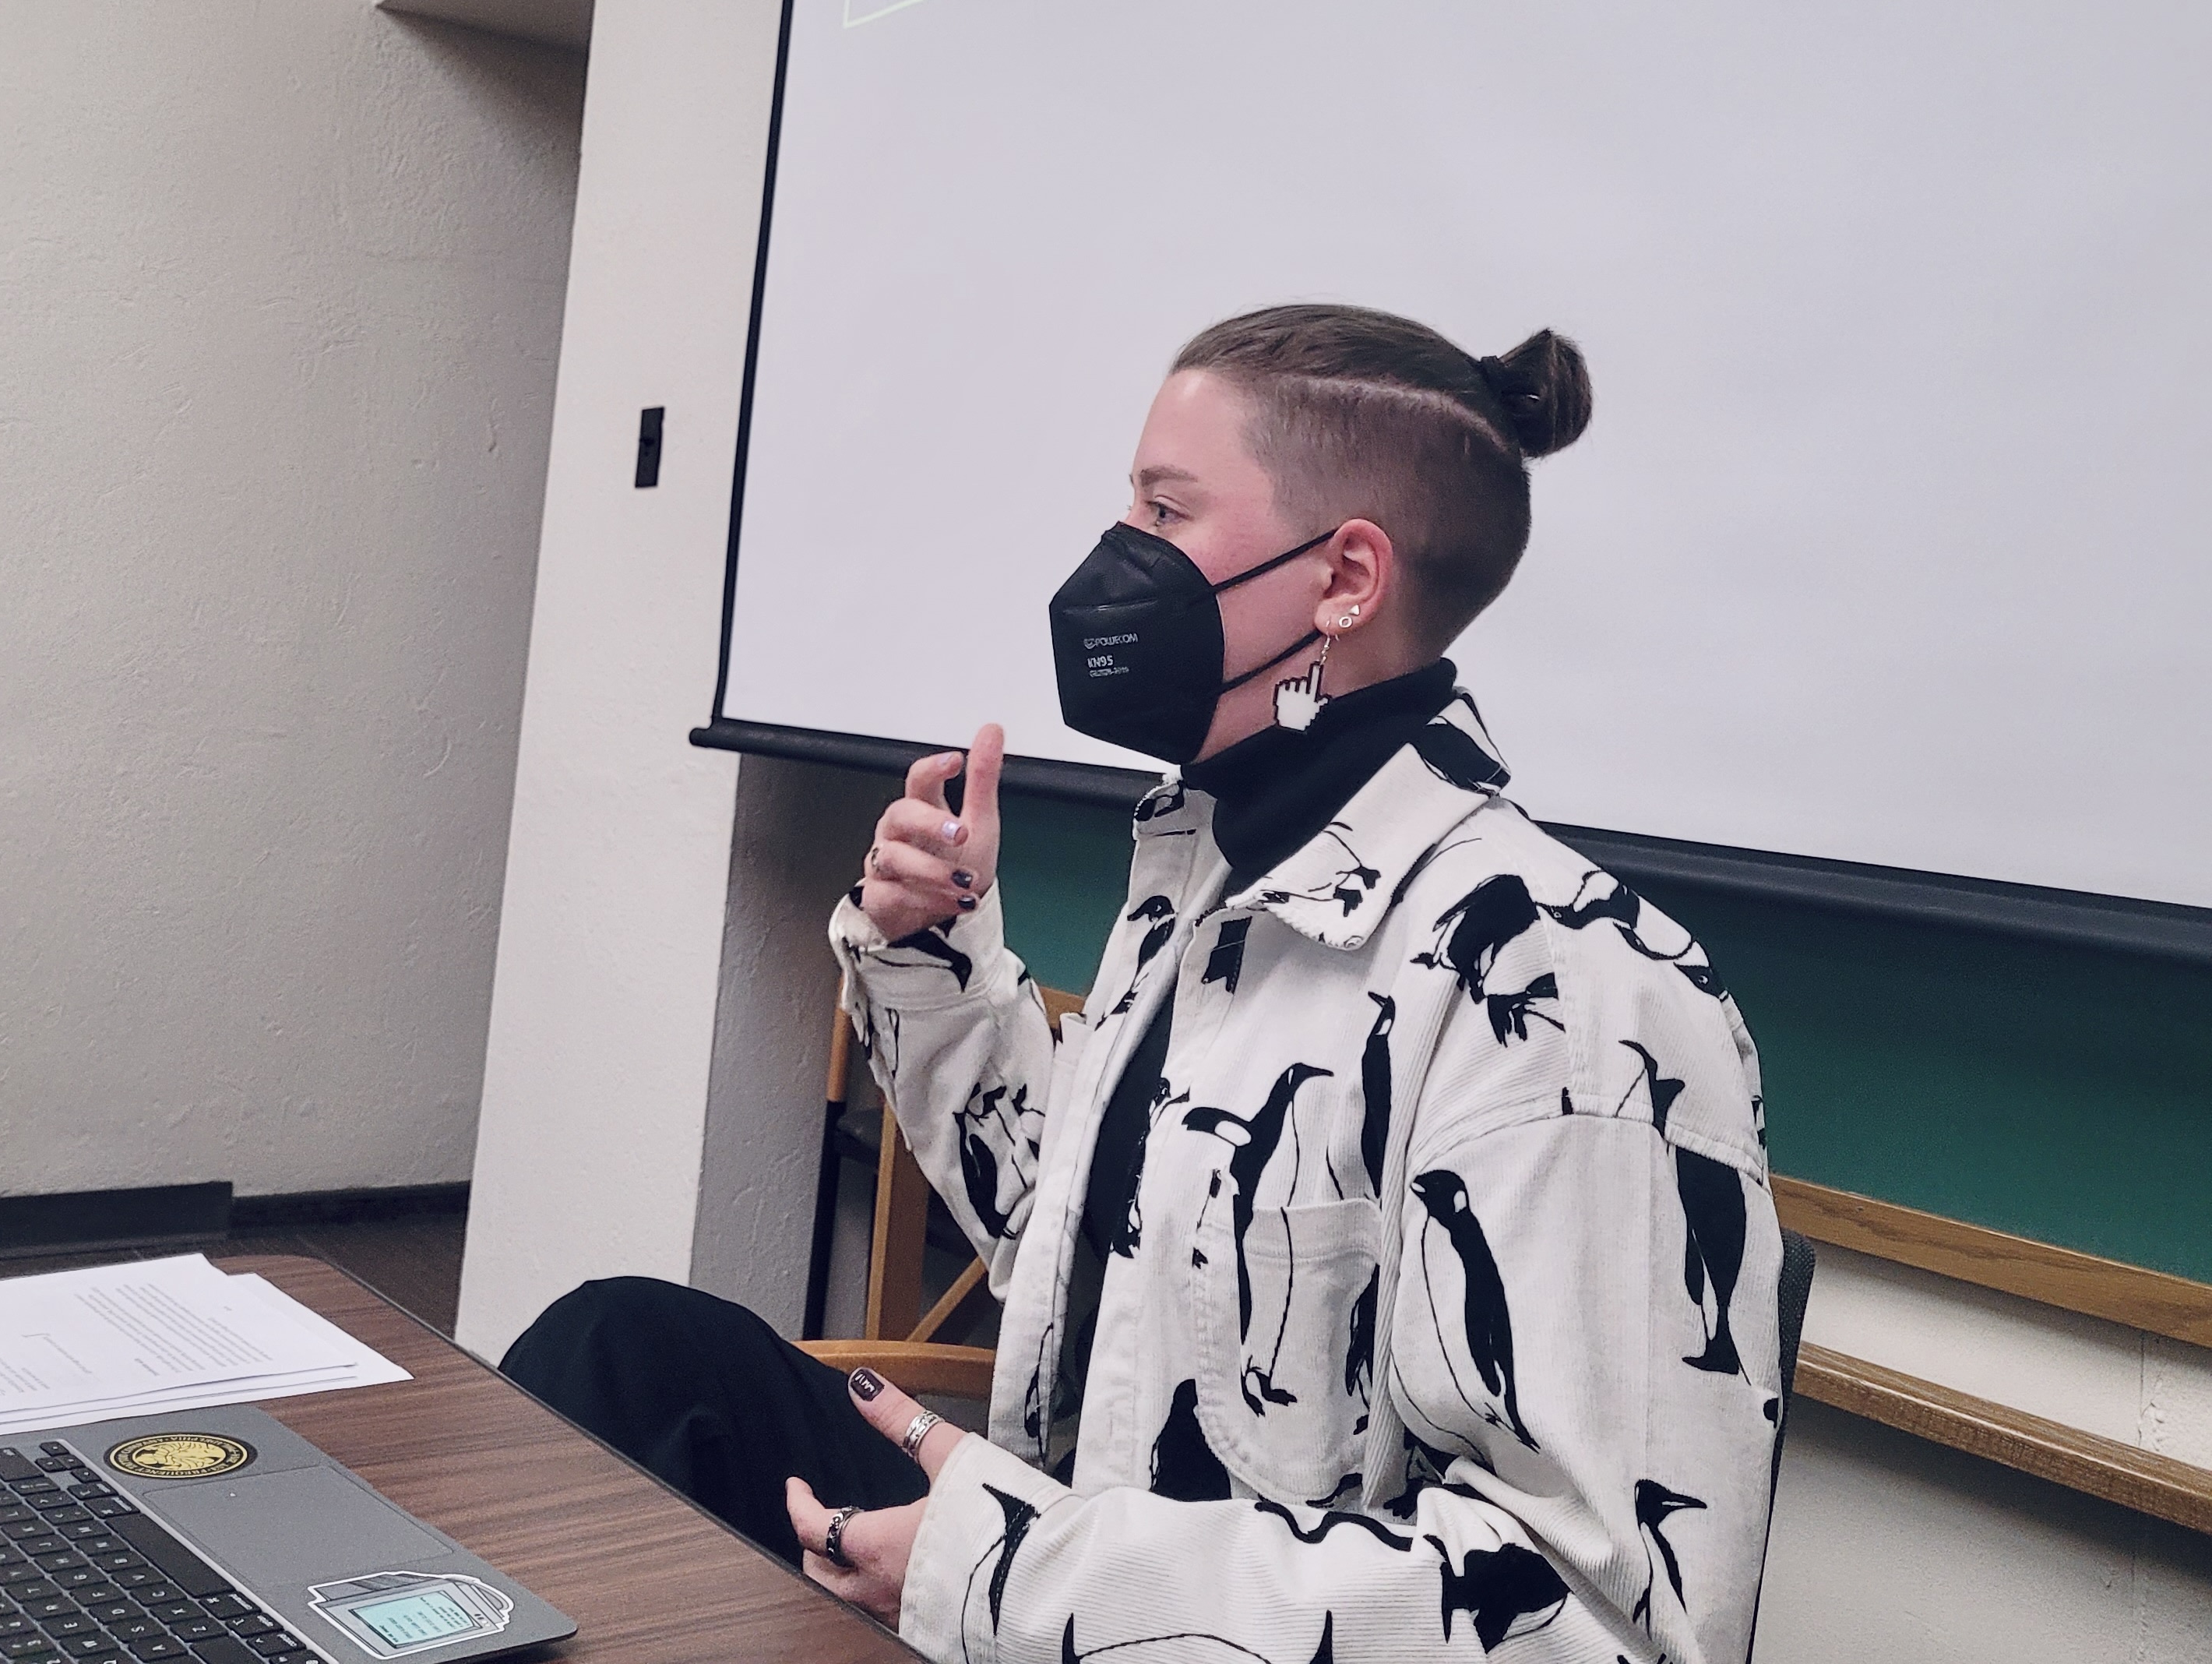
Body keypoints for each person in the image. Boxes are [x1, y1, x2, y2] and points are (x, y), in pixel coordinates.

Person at [503, 305, 1782, 1664]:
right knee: (627, 1352)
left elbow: (1598, 1621)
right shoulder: (1207, 870)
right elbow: (1080, 1256)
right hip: (1041, 1577)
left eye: (1166, 513)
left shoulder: (1575, 991)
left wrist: (1008, 1576)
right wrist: (934, 959)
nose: (1119, 556)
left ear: (1346, 578)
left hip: (1098, 1614)